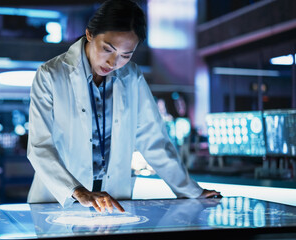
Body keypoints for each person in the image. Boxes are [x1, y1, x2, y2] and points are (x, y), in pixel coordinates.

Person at [27, 0, 220, 213]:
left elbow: (153, 140)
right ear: (90, 34)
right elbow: (39, 146)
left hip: (113, 200)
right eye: (107, 49)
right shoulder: (50, 75)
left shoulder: (132, 77)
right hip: (58, 199)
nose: (112, 62)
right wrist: (77, 190)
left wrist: (191, 190)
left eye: (125, 55)